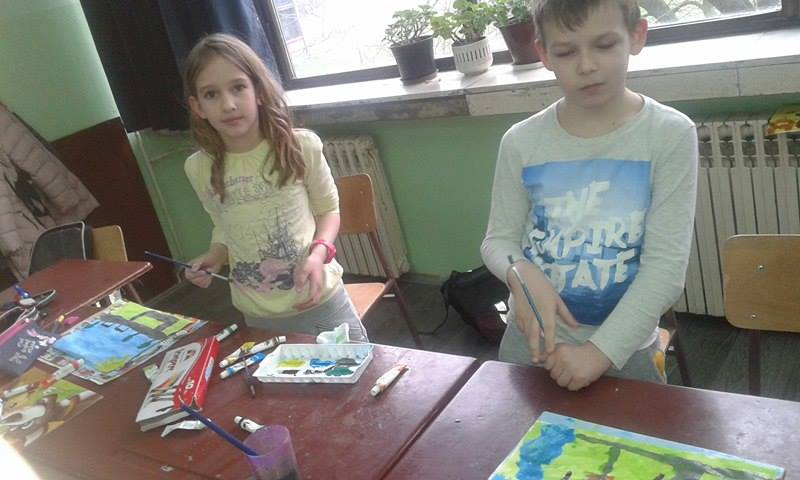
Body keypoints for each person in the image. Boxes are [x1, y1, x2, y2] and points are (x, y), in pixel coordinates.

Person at [480, 0, 698, 390]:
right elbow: (498, 241)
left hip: (624, 351)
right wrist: (520, 271)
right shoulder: (521, 142)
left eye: (604, 45)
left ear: (636, 36)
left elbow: (665, 269)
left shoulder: (670, 134)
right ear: (544, 54)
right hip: (529, 343)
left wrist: (598, 353)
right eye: (566, 52)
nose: (586, 65)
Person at [182, 33, 367, 341]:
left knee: (356, 368)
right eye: (211, 94)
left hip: (320, 301)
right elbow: (224, 227)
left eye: (238, 87)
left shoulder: (301, 146)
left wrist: (319, 253)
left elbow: (328, 210)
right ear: (197, 106)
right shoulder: (198, 168)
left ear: (258, 90)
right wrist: (214, 255)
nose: (228, 105)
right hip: (257, 314)